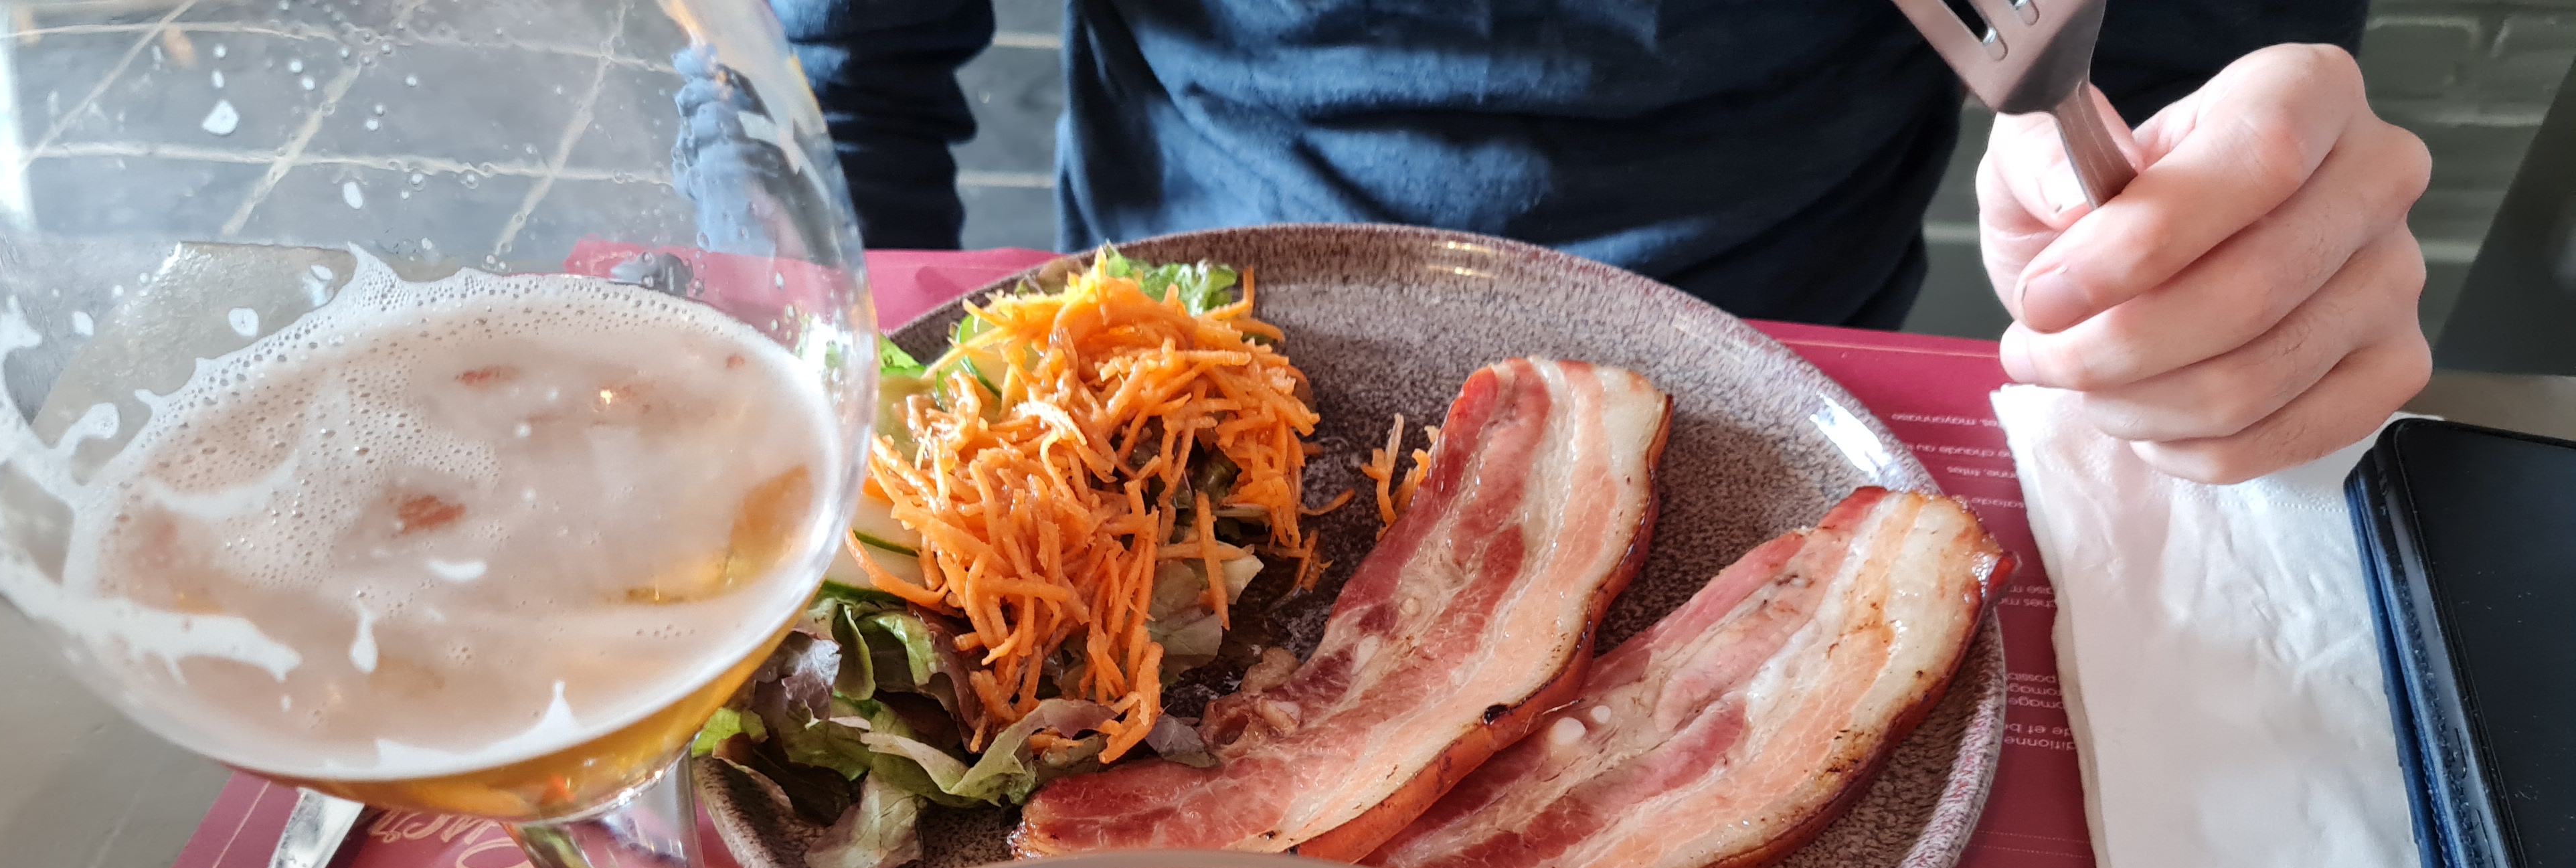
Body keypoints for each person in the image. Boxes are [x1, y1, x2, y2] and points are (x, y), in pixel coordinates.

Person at [772, 0, 2431, 485]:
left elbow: (2190, 70)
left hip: (1774, 399)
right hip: (1175, 373)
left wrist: (2203, 239)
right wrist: (848, 414)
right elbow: (835, 85)